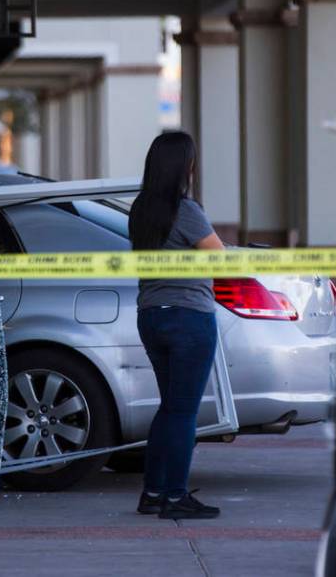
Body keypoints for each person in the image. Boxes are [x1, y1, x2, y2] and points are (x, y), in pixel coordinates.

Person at [128, 131, 225, 519]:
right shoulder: (186, 210)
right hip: (189, 317)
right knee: (184, 411)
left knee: (169, 407)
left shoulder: (140, 209)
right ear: (185, 167)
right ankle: (175, 496)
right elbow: (220, 259)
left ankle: (152, 493)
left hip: (151, 315)